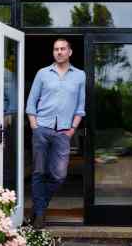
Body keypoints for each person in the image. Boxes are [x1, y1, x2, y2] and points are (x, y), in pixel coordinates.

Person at [25, 38, 86, 229]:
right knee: (39, 172)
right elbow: (31, 102)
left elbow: (80, 106)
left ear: (70, 52)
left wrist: (72, 129)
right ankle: (40, 215)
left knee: (59, 175)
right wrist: (34, 125)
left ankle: (38, 206)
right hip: (42, 128)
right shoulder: (42, 73)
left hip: (63, 132)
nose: (59, 52)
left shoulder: (79, 76)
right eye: (55, 49)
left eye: (62, 49)